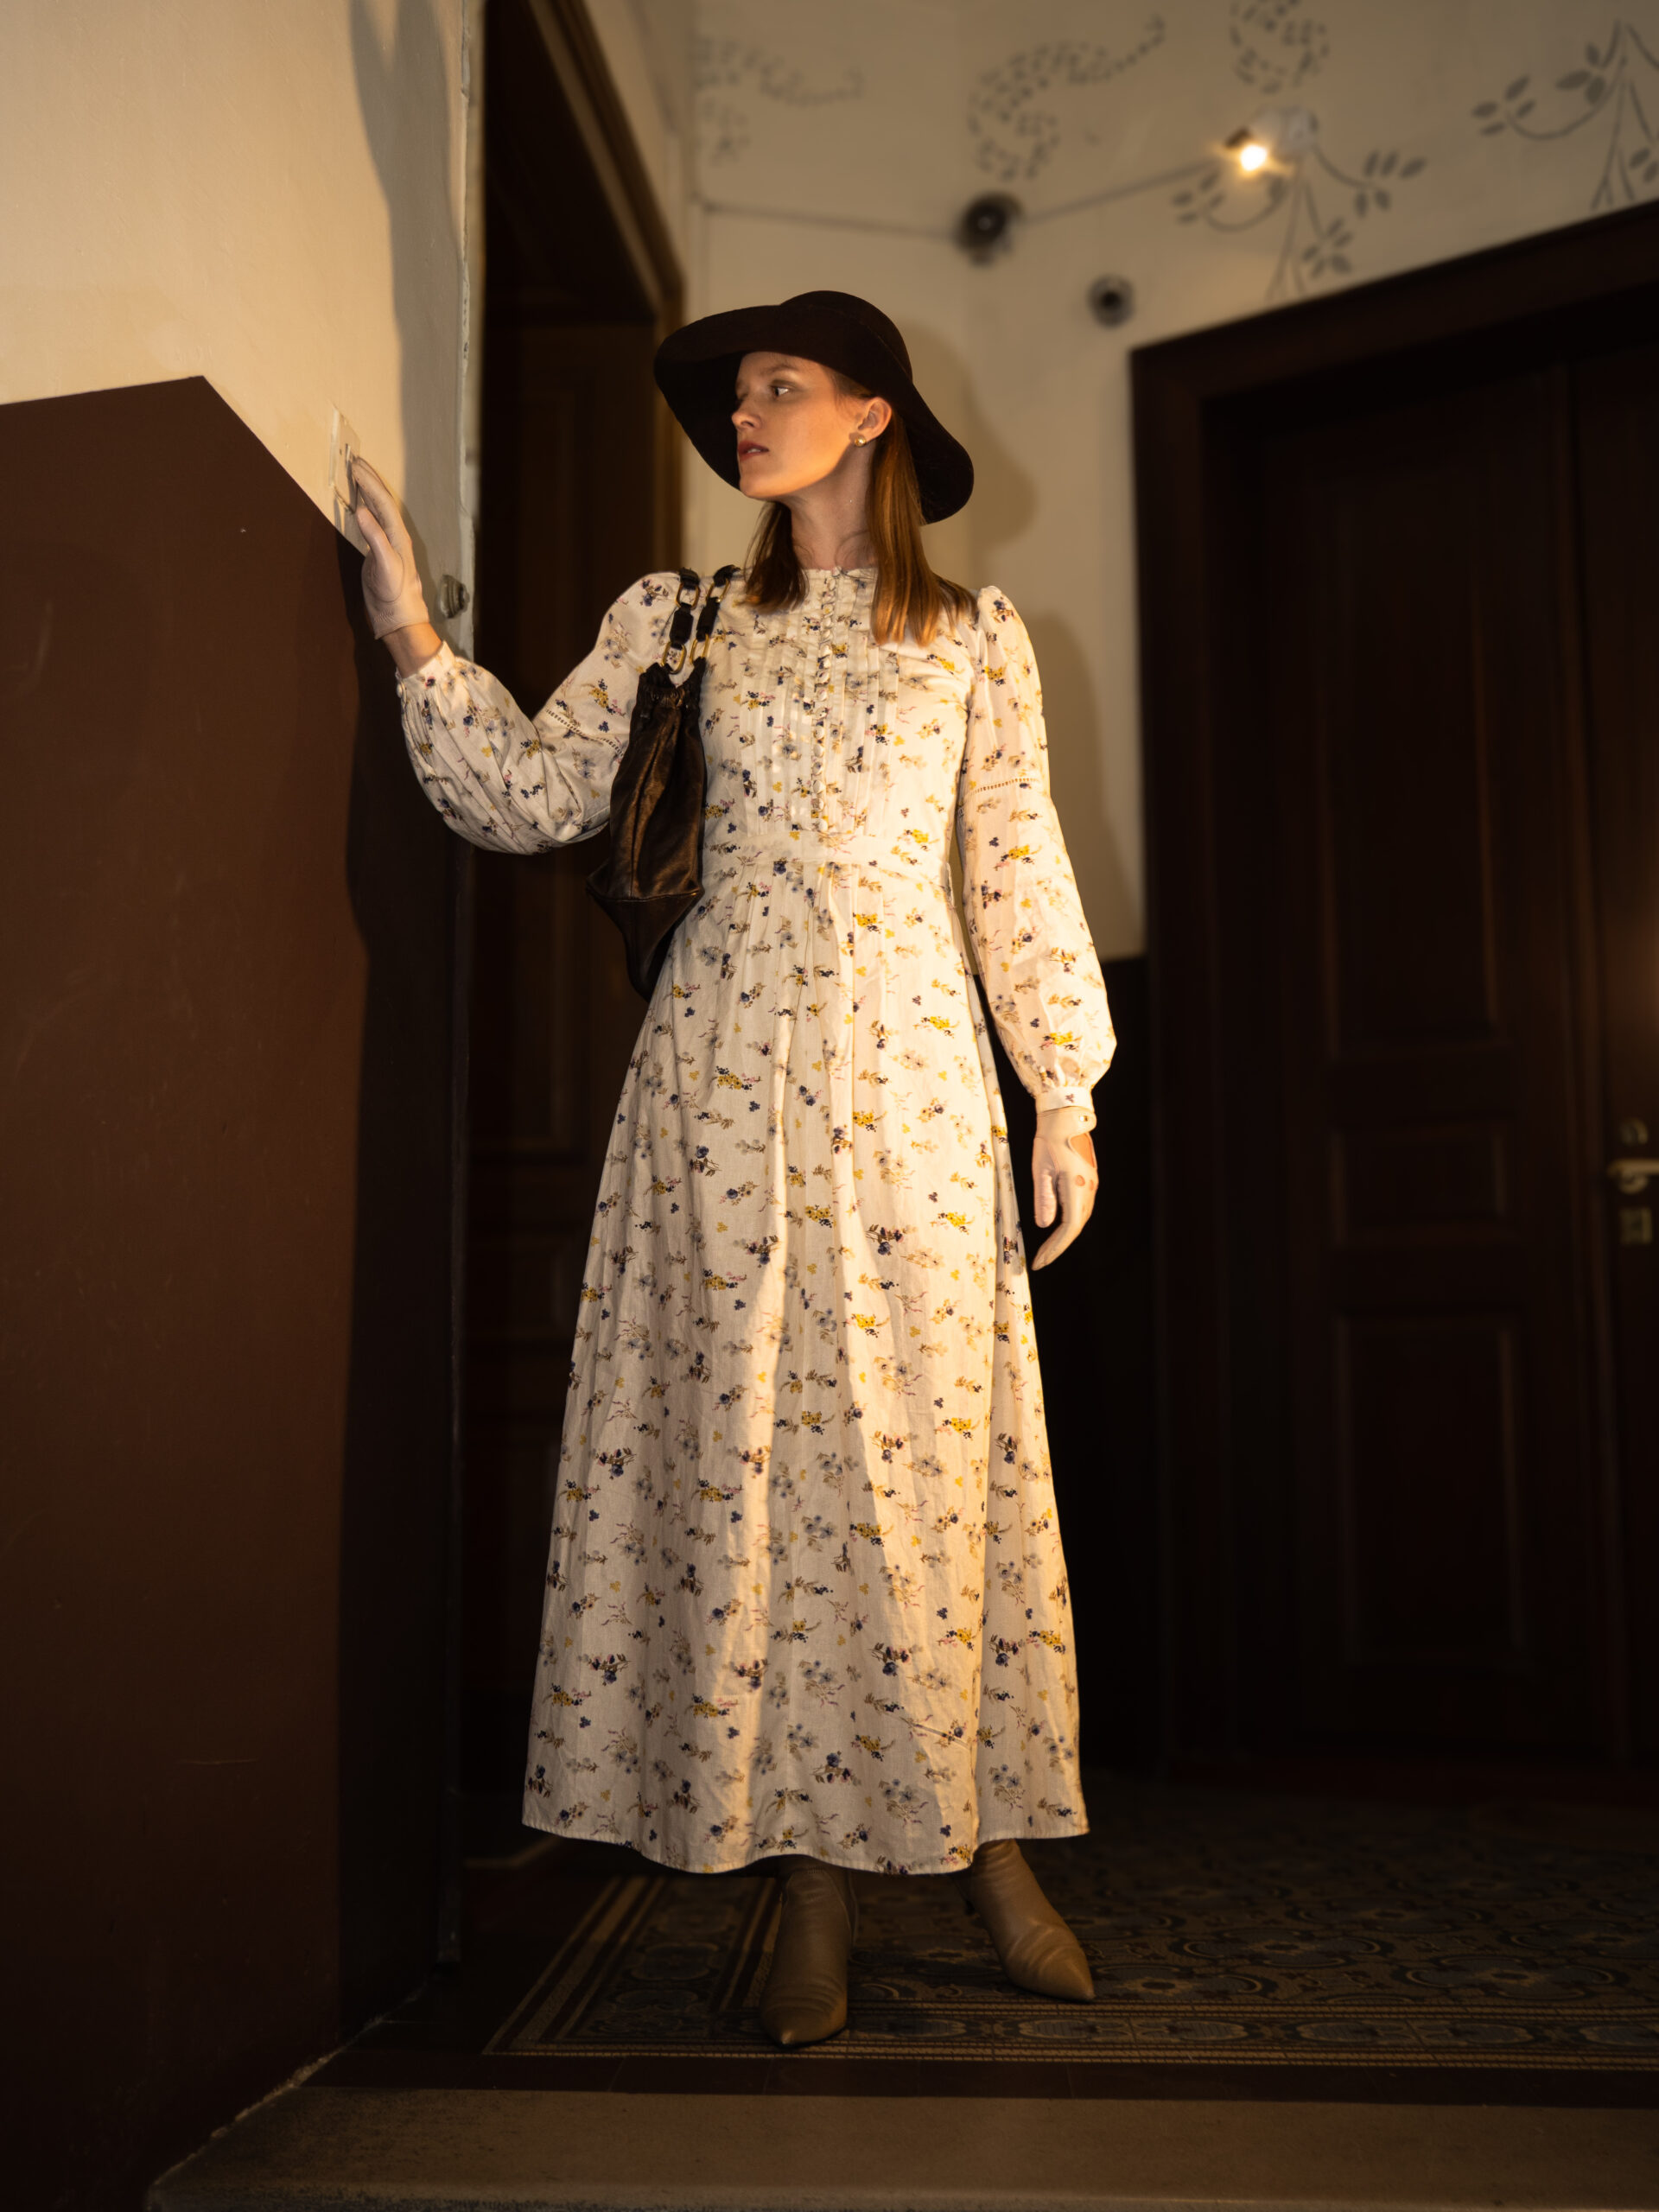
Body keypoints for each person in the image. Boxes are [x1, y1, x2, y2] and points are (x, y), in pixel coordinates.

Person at [354, 291, 1115, 2049]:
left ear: (873, 414)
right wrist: (408, 628)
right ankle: (811, 1881)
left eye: (782, 386)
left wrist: (1062, 1092)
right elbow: (530, 791)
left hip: (915, 1089)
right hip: (714, 1089)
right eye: (737, 396)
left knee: (925, 1470)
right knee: (753, 1475)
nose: (747, 416)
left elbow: (1013, 863)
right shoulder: (677, 620)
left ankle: (992, 1847)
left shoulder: (973, 635)